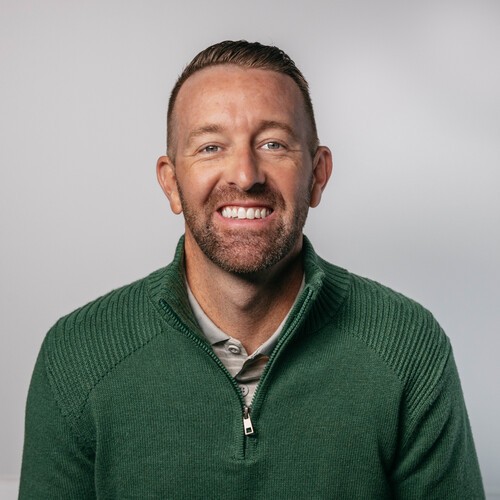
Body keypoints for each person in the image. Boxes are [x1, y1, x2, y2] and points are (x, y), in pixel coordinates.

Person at [19, 40, 484, 499]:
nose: (245, 175)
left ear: (317, 175)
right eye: (210, 147)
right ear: (171, 183)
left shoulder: (407, 346)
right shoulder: (78, 354)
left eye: (273, 143)